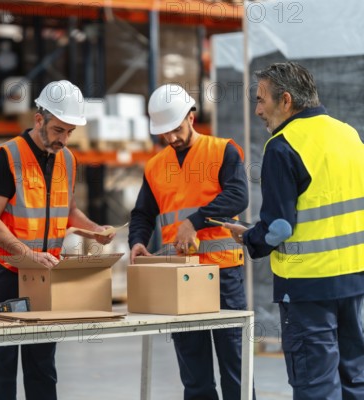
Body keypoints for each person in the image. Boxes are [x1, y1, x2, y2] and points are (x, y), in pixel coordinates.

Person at [225, 61, 364, 400]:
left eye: (261, 100)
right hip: (354, 278)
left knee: (315, 384)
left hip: (307, 287)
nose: (257, 110)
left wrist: (248, 237)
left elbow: (279, 227)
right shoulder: (349, 134)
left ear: (285, 101)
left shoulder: (283, 145)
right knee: (355, 379)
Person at [0, 80, 115, 400]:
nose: (63, 139)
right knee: (1, 362)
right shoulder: (8, 156)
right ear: (39, 120)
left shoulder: (67, 159)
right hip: (3, 271)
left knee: (42, 364)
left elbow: (69, 212)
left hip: (43, 273)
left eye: (69, 132)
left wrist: (95, 230)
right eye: (58, 130)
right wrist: (26, 253)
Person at [129, 84, 251, 400]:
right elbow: (142, 212)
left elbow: (238, 196)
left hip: (223, 274)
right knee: (193, 371)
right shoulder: (155, 166)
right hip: (180, 277)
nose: (170, 138)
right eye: (163, 133)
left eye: (176, 128)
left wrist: (193, 222)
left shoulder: (222, 150)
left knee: (235, 364)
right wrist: (137, 241)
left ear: (191, 117)